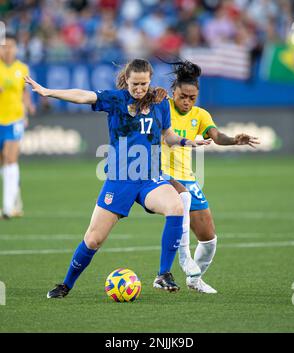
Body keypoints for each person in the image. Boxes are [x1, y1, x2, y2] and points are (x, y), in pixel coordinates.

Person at [24, 58, 210, 298]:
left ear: (150, 80)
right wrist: (48, 92)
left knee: (176, 205)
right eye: (135, 84)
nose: (139, 89)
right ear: (127, 80)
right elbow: (84, 96)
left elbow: (168, 135)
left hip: (149, 178)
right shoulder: (117, 99)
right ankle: (66, 284)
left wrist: (187, 142)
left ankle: (163, 274)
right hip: (120, 179)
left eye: (143, 84)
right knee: (93, 239)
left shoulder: (161, 102)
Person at [160, 60, 259, 293]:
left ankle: (195, 280)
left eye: (192, 98)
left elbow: (216, 136)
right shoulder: (161, 108)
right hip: (162, 176)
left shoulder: (200, 114)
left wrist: (234, 140)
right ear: (174, 91)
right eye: (183, 96)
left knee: (209, 238)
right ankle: (182, 260)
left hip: (187, 177)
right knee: (181, 202)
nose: (187, 102)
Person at [0, 33, 35, 219]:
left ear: (16, 48)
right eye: (4, 46)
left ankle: (7, 207)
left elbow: (24, 92)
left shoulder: (22, 68)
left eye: (11, 46)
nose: (7, 49)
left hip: (14, 118)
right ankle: (13, 199)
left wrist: (28, 108)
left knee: (10, 158)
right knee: (3, 162)